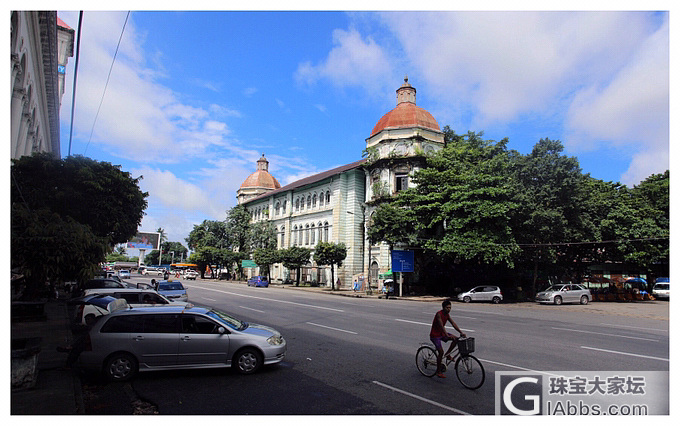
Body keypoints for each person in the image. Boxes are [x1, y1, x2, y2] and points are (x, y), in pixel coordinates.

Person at [430, 299, 466, 378]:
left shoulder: (447, 315)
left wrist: (461, 332)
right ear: (443, 307)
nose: (449, 309)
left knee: (456, 339)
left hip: (442, 333)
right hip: (435, 335)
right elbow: (441, 325)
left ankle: (448, 354)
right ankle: (438, 371)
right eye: (447, 308)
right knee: (440, 352)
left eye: (450, 308)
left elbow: (453, 323)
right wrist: (447, 335)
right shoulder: (439, 314)